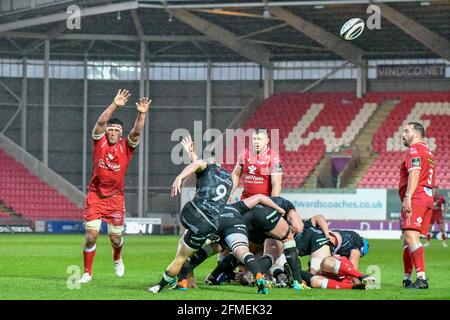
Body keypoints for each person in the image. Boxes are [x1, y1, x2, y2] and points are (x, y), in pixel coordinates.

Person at [79, 89, 151, 283]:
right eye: (110, 129)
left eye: (116, 131)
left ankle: (117, 257)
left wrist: (141, 113)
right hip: (95, 196)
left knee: (115, 239)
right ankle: (87, 272)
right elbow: (101, 123)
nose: (111, 132)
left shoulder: (126, 148)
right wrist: (115, 105)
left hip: (116, 199)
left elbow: (136, 131)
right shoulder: (99, 142)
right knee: (91, 236)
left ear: (120, 135)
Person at [148, 141, 233, 293]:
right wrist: (191, 154)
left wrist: (180, 177)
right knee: (183, 252)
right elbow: (200, 167)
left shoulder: (205, 165)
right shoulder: (228, 178)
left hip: (193, 214)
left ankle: (168, 284)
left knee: (181, 251)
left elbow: (198, 165)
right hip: (210, 224)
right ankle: (181, 281)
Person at [399, 122, 435, 289]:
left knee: (410, 237)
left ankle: (421, 278)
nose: (403, 134)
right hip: (427, 195)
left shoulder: (414, 150)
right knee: (408, 239)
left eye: (407, 131)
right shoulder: (428, 152)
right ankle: (407, 277)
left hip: (417, 196)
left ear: (417, 133)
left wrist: (408, 196)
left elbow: (415, 172)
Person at [230, 128, 282, 200]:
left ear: (267, 141)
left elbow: (276, 183)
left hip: (264, 202)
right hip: (245, 200)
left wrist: (274, 203)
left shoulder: (275, 158)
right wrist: (230, 193)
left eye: (259, 139)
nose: (256, 142)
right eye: (254, 139)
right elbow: (236, 174)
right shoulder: (244, 154)